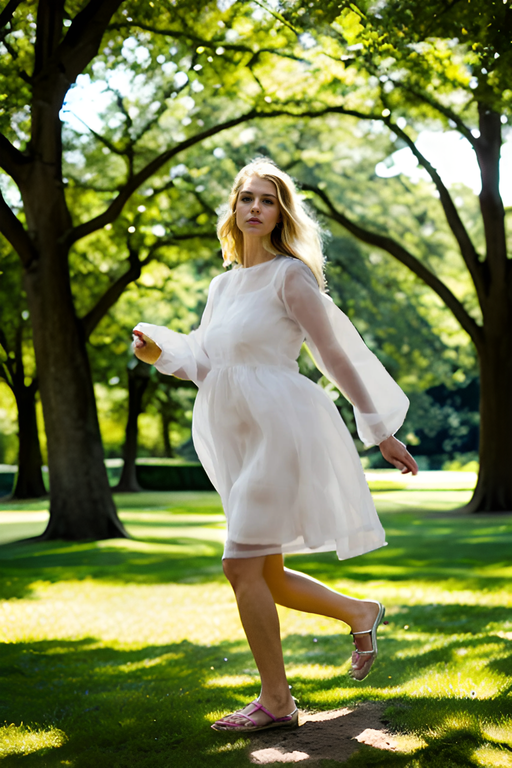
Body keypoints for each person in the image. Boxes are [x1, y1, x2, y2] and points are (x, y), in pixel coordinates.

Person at [133, 158, 418, 733]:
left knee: (239, 568)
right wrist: (161, 354)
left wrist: (379, 429)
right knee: (269, 575)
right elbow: (210, 364)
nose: (255, 208)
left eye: (267, 200)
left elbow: (333, 355)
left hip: (283, 429)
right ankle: (360, 612)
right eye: (247, 199)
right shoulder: (221, 286)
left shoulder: (291, 276)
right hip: (237, 431)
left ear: (280, 213)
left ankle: (277, 702)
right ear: (234, 211)